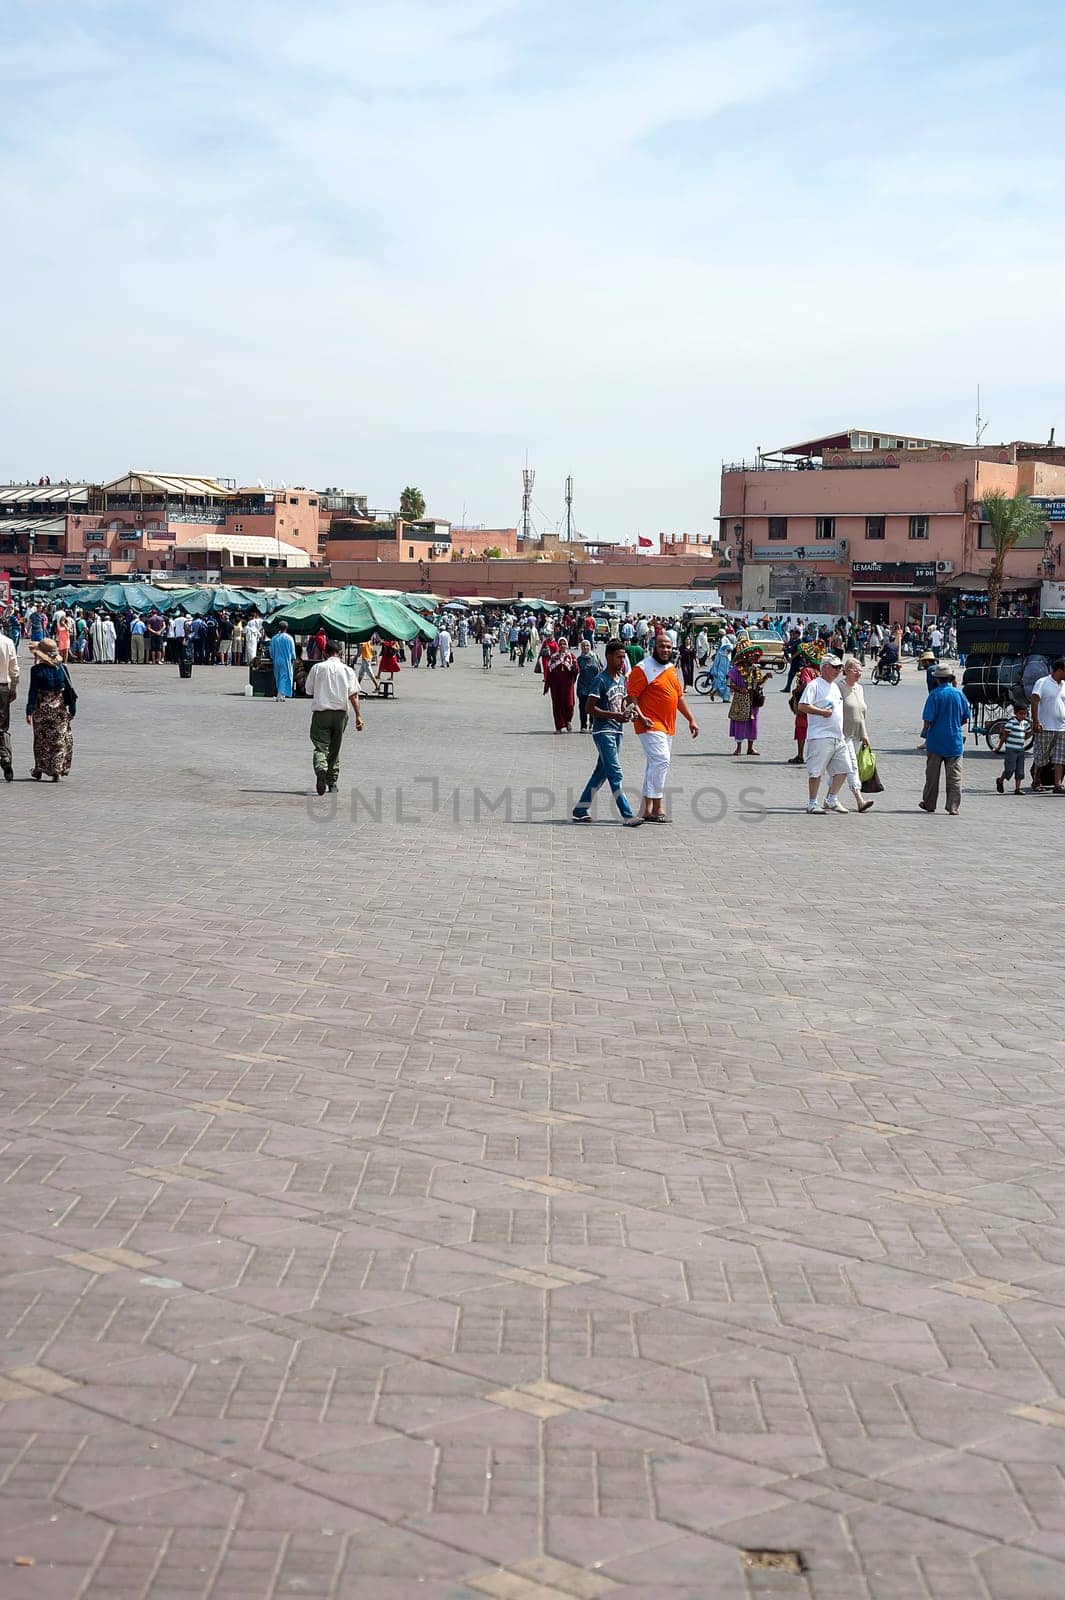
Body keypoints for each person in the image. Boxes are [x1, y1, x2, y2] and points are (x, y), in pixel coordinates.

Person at [626, 632, 699, 822]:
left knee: (655, 764)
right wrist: (641, 718)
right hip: (649, 723)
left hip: (668, 726)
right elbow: (631, 696)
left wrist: (691, 719)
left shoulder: (671, 669)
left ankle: (646, 809)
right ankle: (658, 806)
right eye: (662, 646)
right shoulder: (642, 668)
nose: (666, 650)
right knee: (661, 760)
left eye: (668, 646)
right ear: (653, 647)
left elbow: (678, 697)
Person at [572, 639, 639, 825]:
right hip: (603, 731)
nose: (622, 661)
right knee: (615, 773)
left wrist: (628, 712)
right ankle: (627, 814)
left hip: (617, 730)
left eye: (623, 658)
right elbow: (589, 708)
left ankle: (581, 808)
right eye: (619, 657)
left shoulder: (622, 679)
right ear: (608, 657)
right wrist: (613, 715)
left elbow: (622, 702)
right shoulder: (600, 680)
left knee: (601, 772)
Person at [305, 641, 364, 794]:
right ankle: (332, 782)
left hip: (321, 713)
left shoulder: (317, 668)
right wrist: (358, 716)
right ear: (341, 653)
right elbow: (354, 695)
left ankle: (321, 768)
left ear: (324, 653)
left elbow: (308, 690)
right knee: (335, 748)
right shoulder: (347, 670)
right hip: (340, 714)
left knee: (320, 746)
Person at [799, 653, 850, 814]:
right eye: (834, 667)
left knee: (844, 768)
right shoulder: (814, 685)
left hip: (837, 735)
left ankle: (831, 799)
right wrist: (821, 712)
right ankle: (812, 802)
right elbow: (802, 706)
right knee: (816, 771)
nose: (837, 670)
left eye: (839, 668)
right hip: (820, 735)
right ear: (825, 667)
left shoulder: (835, 687)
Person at [919, 663, 970, 814]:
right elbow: (965, 718)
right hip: (954, 741)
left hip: (935, 741)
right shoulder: (959, 694)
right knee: (954, 777)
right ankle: (952, 807)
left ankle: (929, 803)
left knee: (932, 777)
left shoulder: (934, 695)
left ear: (937, 679)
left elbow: (927, 720)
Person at [26, 638, 77, 782]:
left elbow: (33, 692)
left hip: (42, 709)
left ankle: (39, 768)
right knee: (59, 739)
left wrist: (29, 711)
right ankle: (57, 769)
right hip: (59, 709)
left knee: (41, 740)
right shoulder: (62, 668)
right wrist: (72, 708)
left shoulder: (36, 670)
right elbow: (69, 689)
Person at [839, 656, 875, 813]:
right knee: (850, 765)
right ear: (846, 671)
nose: (858, 673)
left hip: (852, 735)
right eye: (855, 670)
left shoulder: (860, 688)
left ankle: (830, 798)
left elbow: (861, 713)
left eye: (860, 670)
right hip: (838, 735)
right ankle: (859, 800)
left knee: (842, 767)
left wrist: (864, 734)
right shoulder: (838, 687)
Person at [1030, 657, 1065, 793]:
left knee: (1060, 757)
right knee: (1041, 756)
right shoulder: (1042, 682)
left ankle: (1058, 784)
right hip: (1045, 726)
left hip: (1061, 727)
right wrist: (1036, 721)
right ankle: (1037, 780)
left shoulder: (1063, 685)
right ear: (1060, 670)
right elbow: (1034, 700)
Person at [726, 642, 765, 757]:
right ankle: (738, 748)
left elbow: (759, 682)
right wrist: (739, 689)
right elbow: (729, 683)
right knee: (740, 722)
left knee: (753, 722)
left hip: (753, 699)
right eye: (753, 656)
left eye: (756, 656)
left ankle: (750, 748)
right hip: (741, 699)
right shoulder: (736, 669)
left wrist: (766, 677)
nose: (755, 658)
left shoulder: (755, 669)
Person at [789, 641, 824, 764]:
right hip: (818, 703)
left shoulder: (806, 670)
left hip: (806, 703)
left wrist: (795, 691)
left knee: (801, 728)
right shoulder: (820, 671)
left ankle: (800, 755)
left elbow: (807, 685)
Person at [996, 702, 1030, 795]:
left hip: (1021, 749)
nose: (1023, 716)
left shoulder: (1025, 723)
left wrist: (1033, 730)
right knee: (1010, 768)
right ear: (1015, 713)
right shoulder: (1011, 723)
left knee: (1020, 770)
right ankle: (1000, 780)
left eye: (1024, 713)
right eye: (1020, 714)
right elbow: (1004, 736)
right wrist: (999, 747)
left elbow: (1028, 733)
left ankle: (1017, 788)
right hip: (1011, 749)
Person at [0, 623, 18, 782]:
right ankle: (6, 758)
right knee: (2, 727)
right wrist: (14, 687)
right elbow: (14, 670)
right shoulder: (7, 642)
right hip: (2, 688)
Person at [546, 643, 578, 733]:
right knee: (557, 704)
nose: (562, 646)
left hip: (567, 686)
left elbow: (576, 670)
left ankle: (568, 721)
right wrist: (547, 684)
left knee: (569, 704)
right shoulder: (554, 657)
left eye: (564, 644)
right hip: (556, 686)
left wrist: (574, 667)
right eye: (561, 644)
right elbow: (549, 671)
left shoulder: (571, 656)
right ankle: (558, 726)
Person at [575, 639, 601, 731]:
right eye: (583, 646)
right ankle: (583, 725)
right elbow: (575, 672)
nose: (585, 647)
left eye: (587, 646)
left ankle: (592, 723)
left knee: (593, 706)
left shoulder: (595, 657)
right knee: (583, 706)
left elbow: (601, 670)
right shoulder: (579, 659)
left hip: (593, 686)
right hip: (582, 686)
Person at [268, 620, 296, 700]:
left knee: (278, 677)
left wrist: (273, 657)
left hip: (276, 660)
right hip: (286, 660)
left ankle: (281, 694)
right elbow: (292, 652)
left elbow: (271, 651)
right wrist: (293, 658)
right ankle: (280, 694)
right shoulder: (289, 638)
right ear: (286, 628)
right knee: (285, 677)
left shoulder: (274, 638)